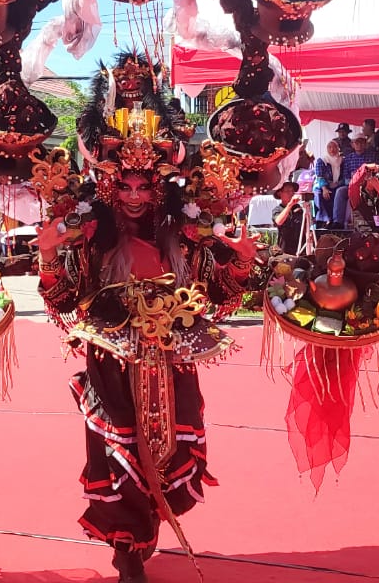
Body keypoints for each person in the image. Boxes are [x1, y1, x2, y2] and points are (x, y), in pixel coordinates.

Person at [36, 113, 255, 583]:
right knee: (118, 449)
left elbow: (219, 293)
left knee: (173, 446)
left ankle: (147, 525)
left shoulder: (185, 235)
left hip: (172, 354)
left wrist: (241, 263)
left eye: (143, 188)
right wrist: (50, 256)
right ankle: (126, 547)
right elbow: (63, 297)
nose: (134, 197)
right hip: (110, 357)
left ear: (160, 189)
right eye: (125, 187)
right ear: (111, 189)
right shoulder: (90, 239)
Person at [311, 140, 343, 226]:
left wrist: (337, 183)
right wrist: (324, 188)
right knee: (318, 192)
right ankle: (322, 219)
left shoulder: (342, 160)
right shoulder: (322, 160)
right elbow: (319, 176)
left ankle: (336, 221)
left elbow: (344, 176)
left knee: (339, 192)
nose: (332, 149)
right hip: (323, 185)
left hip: (337, 184)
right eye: (329, 147)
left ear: (338, 148)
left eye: (334, 147)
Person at [272, 181, 307, 255]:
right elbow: (278, 221)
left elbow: (305, 225)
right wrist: (290, 205)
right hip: (285, 249)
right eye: (287, 191)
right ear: (280, 193)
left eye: (292, 191)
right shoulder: (277, 209)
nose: (291, 194)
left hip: (300, 247)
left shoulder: (299, 208)